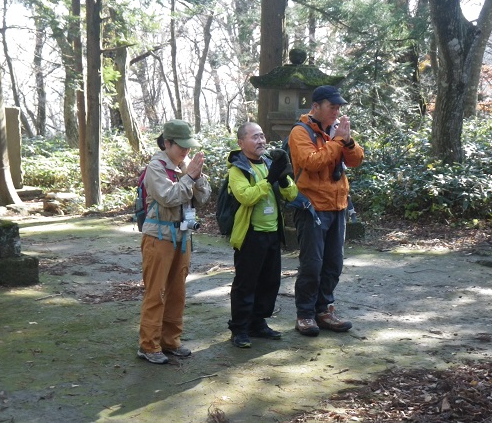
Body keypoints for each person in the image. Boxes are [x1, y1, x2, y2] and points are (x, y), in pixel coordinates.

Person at [288, 86, 364, 337]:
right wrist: (338, 141)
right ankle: (305, 314)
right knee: (312, 264)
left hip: (338, 205)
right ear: (316, 107)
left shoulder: (336, 132)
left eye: (339, 107)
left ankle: (324, 310)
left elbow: (355, 160)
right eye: (332, 107)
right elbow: (311, 162)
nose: (337, 111)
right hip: (312, 207)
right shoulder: (300, 132)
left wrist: (348, 141)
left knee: (333, 263)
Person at [137, 119, 211, 364]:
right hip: (159, 237)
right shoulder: (155, 167)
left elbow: (204, 197)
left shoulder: (186, 165)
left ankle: (170, 341)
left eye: (188, 147)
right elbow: (168, 196)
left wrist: (197, 177)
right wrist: (189, 177)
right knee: (156, 292)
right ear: (167, 143)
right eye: (181, 146)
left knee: (177, 292)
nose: (186, 151)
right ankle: (149, 345)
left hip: (183, 236)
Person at [226, 122, 298, 348]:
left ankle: (258, 323)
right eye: (254, 137)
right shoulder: (237, 169)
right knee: (246, 283)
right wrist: (269, 180)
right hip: (250, 235)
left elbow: (292, 195)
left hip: (272, 233)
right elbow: (246, 197)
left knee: (269, 281)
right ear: (241, 142)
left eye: (262, 136)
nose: (261, 141)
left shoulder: (269, 163)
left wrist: (284, 178)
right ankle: (239, 328)